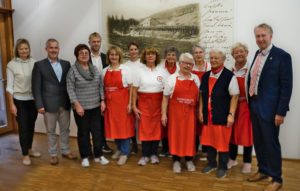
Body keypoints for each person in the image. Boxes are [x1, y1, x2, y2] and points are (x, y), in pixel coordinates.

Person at [246, 23, 293, 191]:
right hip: (255, 104)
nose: (260, 39)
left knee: (271, 143)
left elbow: (286, 86)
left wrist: (281, 112)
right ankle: (263, 170)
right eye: (257, 36)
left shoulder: (282, 56)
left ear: (270, 36)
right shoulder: (257, 55)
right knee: (259, 141)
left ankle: (277, 179)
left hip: (271, 110)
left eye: (263, 35)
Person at [32, 38, 77, 165]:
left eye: (55, 47)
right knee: (51, 131)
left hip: (64, 103)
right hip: (48, 104)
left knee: (65, 129)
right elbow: (36, 87)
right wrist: (39, 105)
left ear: (59, 49)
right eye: (51, 47)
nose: (53, 50)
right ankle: (52, 154)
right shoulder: (39, 65)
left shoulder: (66, 64)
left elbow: (70, 84)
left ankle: (65, 151)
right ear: (46, 49)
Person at [66, 44, 109, 167]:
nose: (84, 55)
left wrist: (102, 100)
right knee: (84, 133)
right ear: (77, 55)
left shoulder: (94, 69)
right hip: (81, 108)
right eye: (81, 53)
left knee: (97, 132)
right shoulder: (72, 70)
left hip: (95, 106)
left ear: (89, 55)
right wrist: (77, 105)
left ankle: (98, 155)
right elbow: (70, 89)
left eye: (86, 53)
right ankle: (85, 156)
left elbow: (100, 85)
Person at [199, 49, 239, 178]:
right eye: (211, 58)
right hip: (208, 116)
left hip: (222, 115)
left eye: (216, 58)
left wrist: (231, 114)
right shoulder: (205, 76)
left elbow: (235, 96)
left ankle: (222, 167)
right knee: (209, 142)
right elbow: (201, 96)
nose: (213, 60)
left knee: (222, 143)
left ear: (223, 60)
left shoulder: (229, 76)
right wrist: (200, 111)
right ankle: (211, 164)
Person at [161, 53, 200, 173]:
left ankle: (189, 160)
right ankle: (176, 161)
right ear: (180, 64)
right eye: (185, 63)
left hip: (190, 115)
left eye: (190, 64)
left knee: (190, 138)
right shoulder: (172, 78)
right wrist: (163, 114)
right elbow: (165, 98)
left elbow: (200, 97)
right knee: (176, 137)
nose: (187, 66)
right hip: (175, 115)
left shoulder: (196, 79)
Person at [6, 39, 40, 165]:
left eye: (26, 48)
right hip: (19, 100)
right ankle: (25, 154)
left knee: (31, 126)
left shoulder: (34, 63)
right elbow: (9, 87)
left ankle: (30, 149)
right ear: (17, 50)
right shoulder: (11, 64)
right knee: (23, 127)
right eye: (21, 48)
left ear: (29, 49)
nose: (24, 51)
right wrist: (11, 104)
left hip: (32, 100)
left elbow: (38, 82)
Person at [132, 47, 167, 166]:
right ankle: (144, 155)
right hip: (144, 105)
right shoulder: (139, 71)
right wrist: (134, 106)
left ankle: (153, 154)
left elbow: (167, 91)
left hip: (158, 104)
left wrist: (165, 110)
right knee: (145, 130)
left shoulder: (162, 71)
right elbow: (134, 90)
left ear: (156, 56)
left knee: (156, 130)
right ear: (145, 56)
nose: (150, 56)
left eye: (153, 54)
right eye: (148, 54)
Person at [102, 46, 134, 165]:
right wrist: (103, 102)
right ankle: (119, 149)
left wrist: (130, 103)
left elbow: (131, 88)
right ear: (108, 56)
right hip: (110, 103)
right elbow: (103, 88)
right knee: (114, 127)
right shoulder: (105, 70)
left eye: (116, 55)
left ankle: (125, 153)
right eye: (111, 54)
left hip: (123, 103)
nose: (114, 57)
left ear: (119, 56)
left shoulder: (125, 69)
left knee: (124, 128)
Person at [227, 42, 253, 174]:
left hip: (246, 106)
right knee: (232, 133)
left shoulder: (252, 68)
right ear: (233, 55)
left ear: (246, 53)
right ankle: (232, 158)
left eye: (241, 51)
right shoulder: (230, 69)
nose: (239, 54)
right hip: (232, 106)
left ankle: (247, 161)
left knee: (247, 134)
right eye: (236, 52)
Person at [88, 32, 113, 154]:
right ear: (89, 42)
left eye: (98, 41)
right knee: (91, 122)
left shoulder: (105, 58)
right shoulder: (84, 57)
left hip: (105, 93)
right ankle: (91, 145)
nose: (96, 43)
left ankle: (103, 144)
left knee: (102, 121)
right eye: (94, 41)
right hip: (90, 94)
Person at [157, 46, 180, 158]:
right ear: (165, 56)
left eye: (173, 55)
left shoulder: (181, 68)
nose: (171, 57)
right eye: (169, 54)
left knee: (175, 125)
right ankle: (165, 148)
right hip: (163, 99)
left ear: (177, 57)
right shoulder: (159, 68)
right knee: (164, 124)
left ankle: (174, 148)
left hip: (176, 101)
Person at [192, 45, 211, 161]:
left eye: (200, 52)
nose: (198, 55)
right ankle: (193, 149)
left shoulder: (209, 66)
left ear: (204, 53)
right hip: (193, 100)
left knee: (205, 125)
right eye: (196, 53)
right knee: (193, 125)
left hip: (206, 99)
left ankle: (205, 151)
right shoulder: (190, 66)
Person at [123, 42, 143, 154]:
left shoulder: (143, 64)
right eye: (131, 49)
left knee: (142, 120)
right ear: (128, 51)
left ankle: (145, 143)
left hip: (142, 95)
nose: (133, 51)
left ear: (138, 51)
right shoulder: (125, 65)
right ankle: (134, 144)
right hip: (130, 96)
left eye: (135, 49)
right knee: (130, 122)